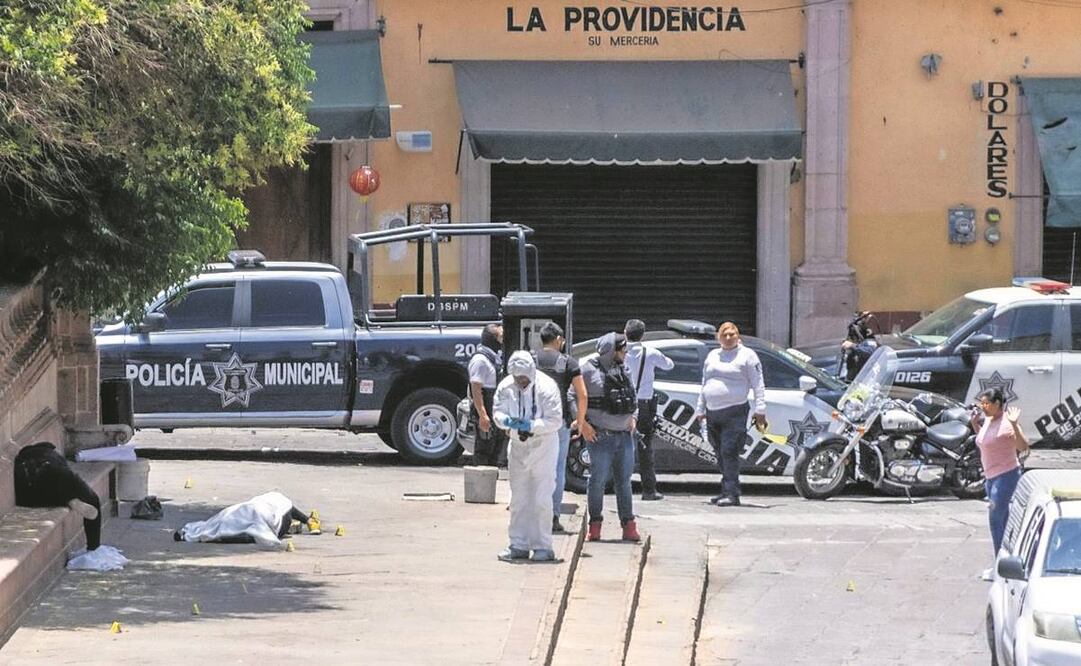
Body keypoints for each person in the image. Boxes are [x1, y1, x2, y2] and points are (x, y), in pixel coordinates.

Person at [493, 351, 564, 562]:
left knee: (542, 498)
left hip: (544, 445)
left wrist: (532, 426)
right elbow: (498, 410)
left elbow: (555, 420)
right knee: (518, 499)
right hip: (517, 445)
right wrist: (507, 421)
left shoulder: (547, 387)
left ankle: (543, 546)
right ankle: (518, 544)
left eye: (523, 378)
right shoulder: (506, 386)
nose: (520, 382)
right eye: (517, 378)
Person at [571, 332, 640, 542]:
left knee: (624, 482)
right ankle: (595, 525)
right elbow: (572, 396)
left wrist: (634, 417)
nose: (625, 353)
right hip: (599, 436)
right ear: (611, 350)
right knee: (598, 481)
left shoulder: (624, 369)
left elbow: (633, 396)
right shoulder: (588, 369)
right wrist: (583, 424)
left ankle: (628, 525)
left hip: (624, 437)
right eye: (621, 350)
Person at [696, 322, 767, 508]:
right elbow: (705, 383)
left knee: (729, 452)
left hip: (735, 412)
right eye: (724, 334)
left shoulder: (748, 356)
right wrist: (700, 409)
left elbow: (758, 384)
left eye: (732, 334)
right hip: (712, 412)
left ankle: (733, 494)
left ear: (738, 335)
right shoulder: (712, 355)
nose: (728, 337)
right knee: (719, 453)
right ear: (718, 337)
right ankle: (725, 490)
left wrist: (761, 410)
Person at [534, 321, 589, 534]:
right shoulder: (569, 363)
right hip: (559, 424)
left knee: (534, 468)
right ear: (558, 339)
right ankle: (553, 517)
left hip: (534, 423)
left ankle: (534, 514)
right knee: (556, 470)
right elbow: (582, 394)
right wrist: (581, 420)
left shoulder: (531, 360)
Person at [973, 387, 1029, 580]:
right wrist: (975, 425)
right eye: (982, 403)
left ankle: (1000, 565)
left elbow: (1023, 447)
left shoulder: (1007, 423)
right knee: (1002, 521)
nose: (983, 407)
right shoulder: (988, 421)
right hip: (991, 477)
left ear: (998, 404)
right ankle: (1005, 561)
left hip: (1006, 475)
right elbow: (986, 442)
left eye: (986, 403)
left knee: (996, 519)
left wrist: (1014, 425)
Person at [14, 441, 102, 551]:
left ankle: (66, 499)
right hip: (55, 474)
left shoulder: (20, 459)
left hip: (26, 491)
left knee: (42, 493)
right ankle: (94, 546)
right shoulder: (50, 453)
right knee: (92, 499)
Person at [624, 319, 674, 501]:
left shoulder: (619, 352)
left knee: (621, 446)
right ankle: (649, 490)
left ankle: (623, 487)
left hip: (623, 405)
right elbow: (669, 365)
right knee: (645, 448)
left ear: (625, 332)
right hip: (643, 405)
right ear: (642, 335)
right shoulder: (651, 353)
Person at [469, 323, 506, 467]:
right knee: (484, 448)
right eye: (500, 337)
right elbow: (476, 389)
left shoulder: (494, 357)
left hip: (495, 405)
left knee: (496, 448)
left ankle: (491, 483)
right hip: (486, 406)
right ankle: (482, 484)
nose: (502, 341)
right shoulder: (480, 360)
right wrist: (483, 415)